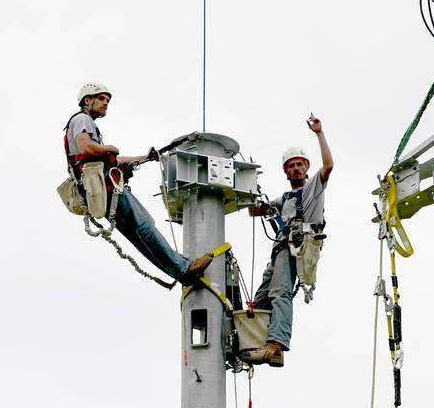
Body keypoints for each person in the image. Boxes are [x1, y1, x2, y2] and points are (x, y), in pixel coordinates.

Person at [65, 82, 213, 284]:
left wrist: (145, 157)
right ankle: (184, 267)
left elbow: (113, 160)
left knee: (139, 238)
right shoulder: (82, 119)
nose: (105, 103)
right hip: (108, 188)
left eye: (108, 100)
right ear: (87, 100)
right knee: (145, 226)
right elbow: (86, 148)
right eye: (101, 98)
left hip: (100, 193)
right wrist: (111, 148)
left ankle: (181, 273)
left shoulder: (85, 124)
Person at [242, 114, 333, 367]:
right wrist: (248, 189)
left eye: (299, 165)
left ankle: (276, 343)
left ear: (305, 168)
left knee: (280, 293)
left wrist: (319, 133)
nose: (296, 168)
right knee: (261, 298)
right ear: (285, 171)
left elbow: (328, 166)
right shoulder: (284, 199)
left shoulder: (312, 188)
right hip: (281, 249)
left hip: (296, 247)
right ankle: (258, 341)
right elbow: (254, 211)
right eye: (291, 166)